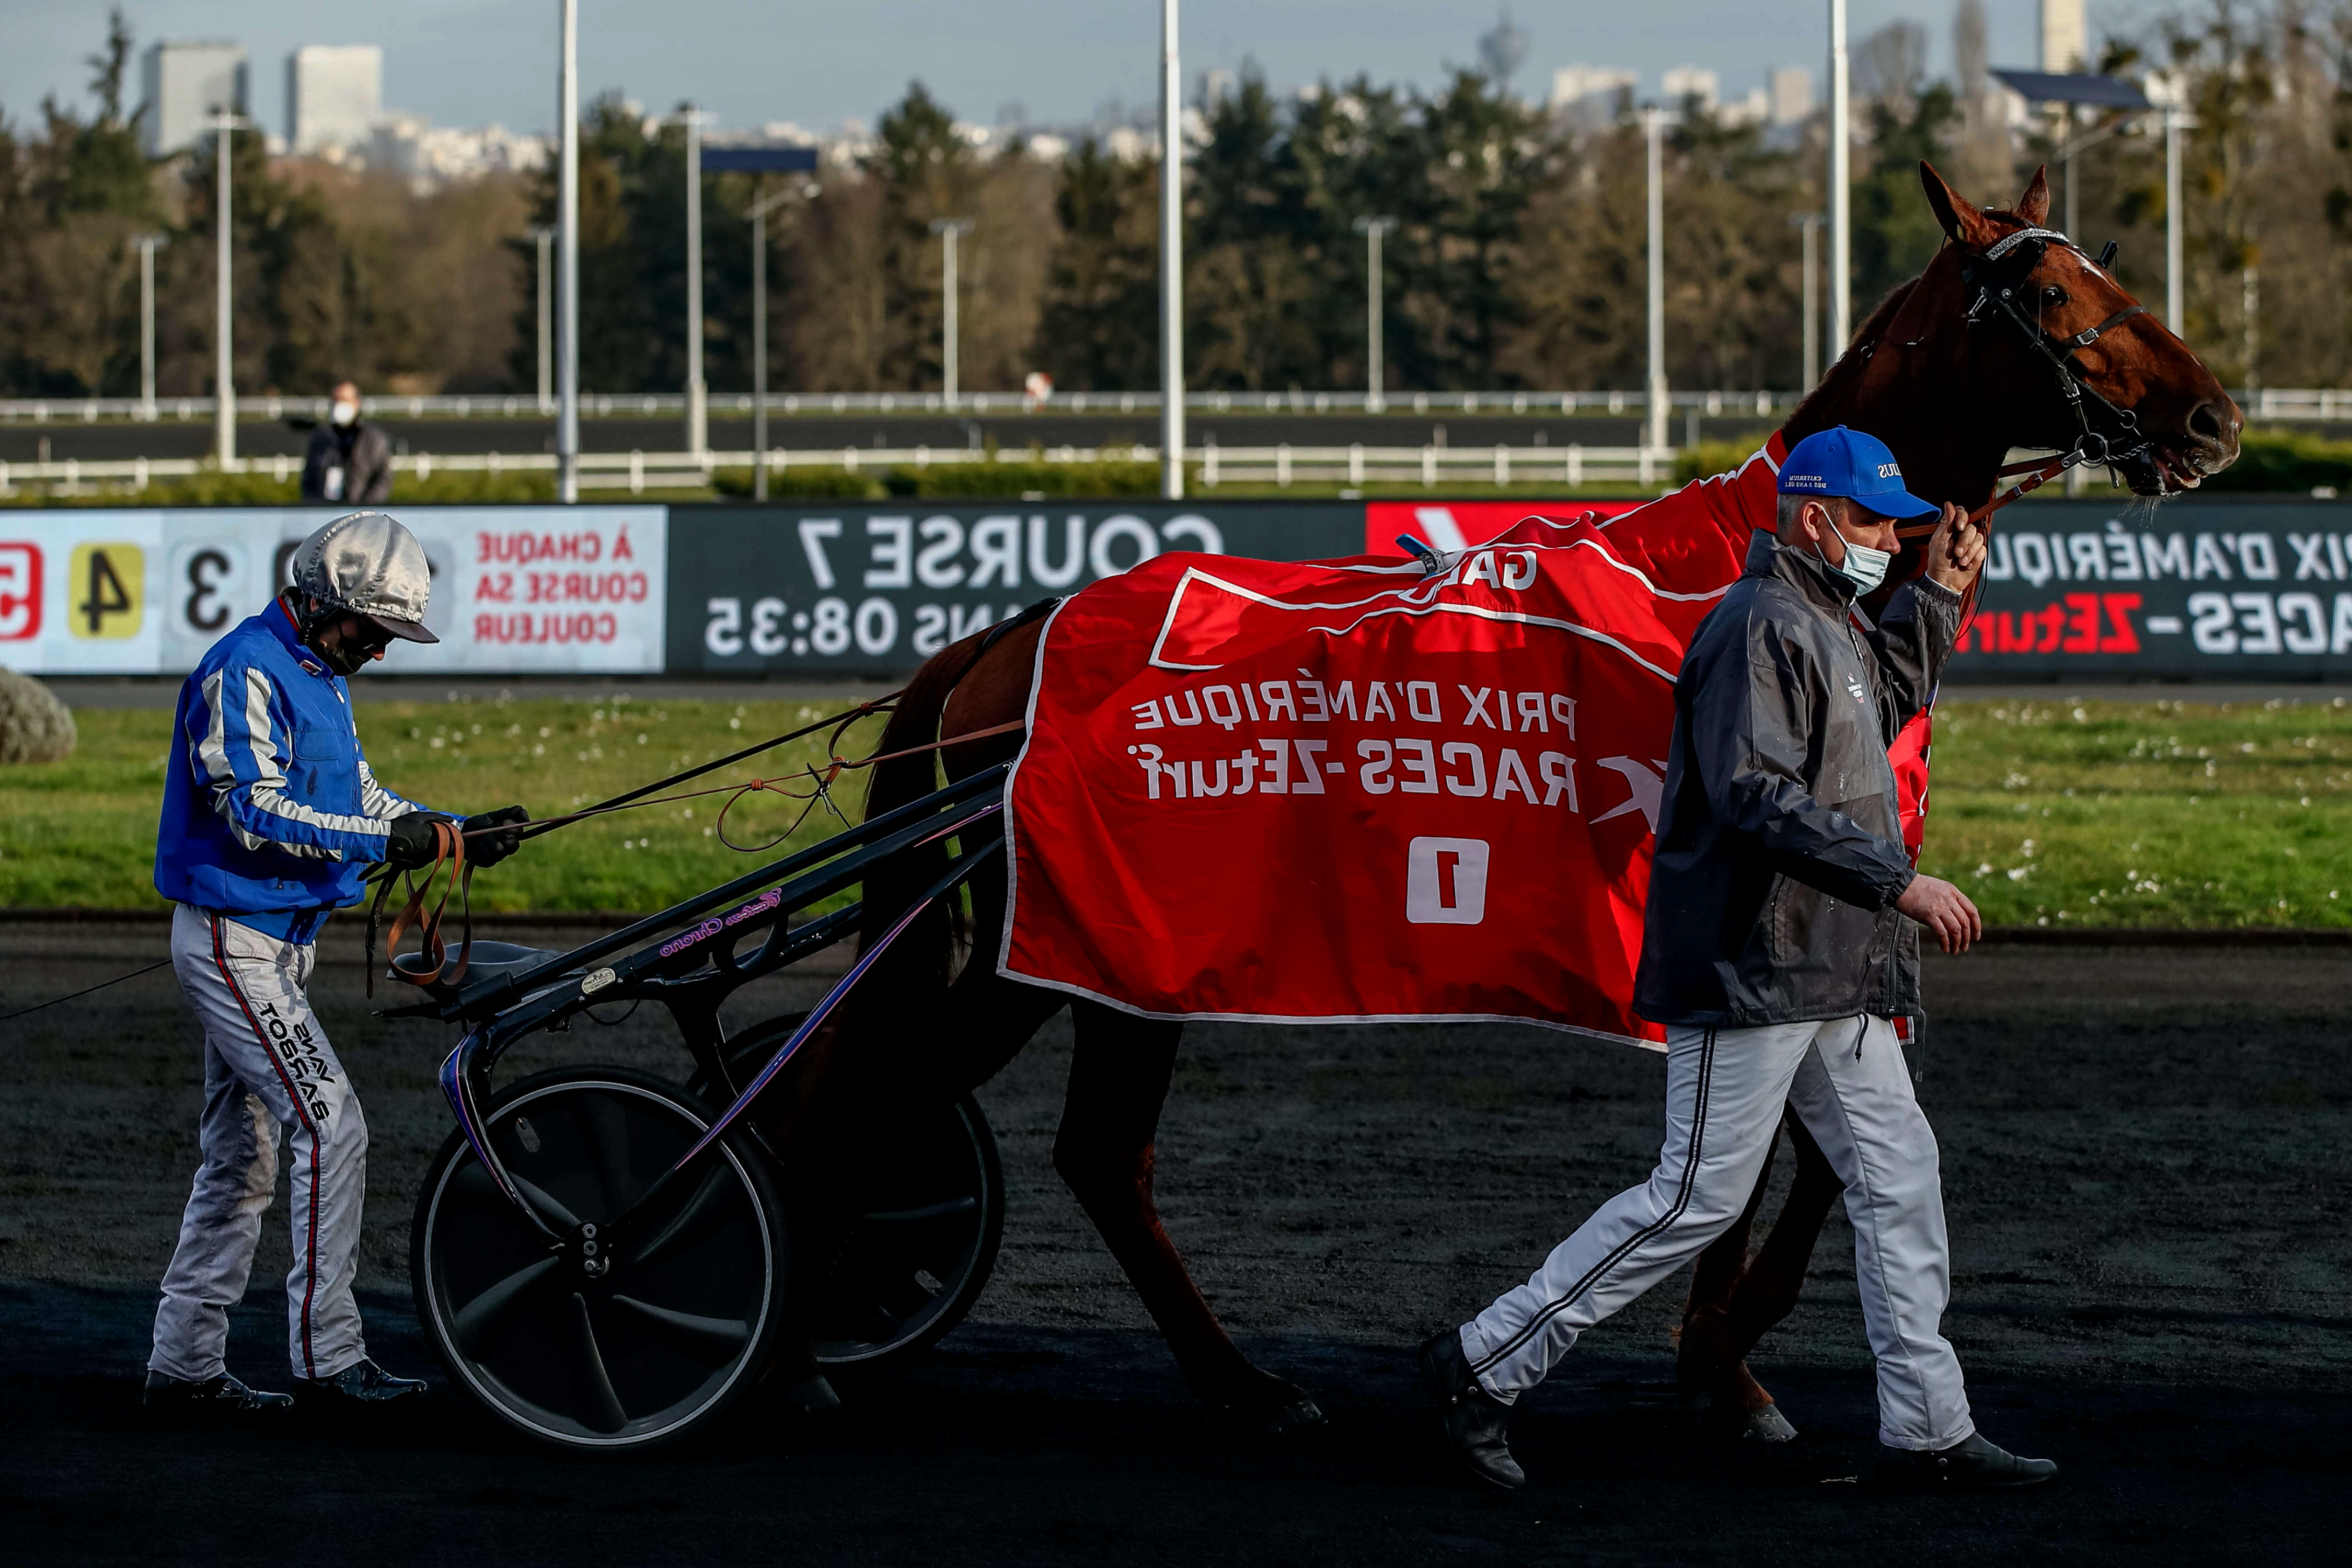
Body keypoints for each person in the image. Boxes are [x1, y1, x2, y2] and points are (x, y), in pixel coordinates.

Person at [1420, 426, 2054, 1490]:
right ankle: (1480, 1363)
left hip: (1830, 966)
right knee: (1694, 1202)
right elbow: (1755, 794)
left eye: (1899, 528)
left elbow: (1875, 707)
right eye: (1871, 524)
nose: (1890, 544)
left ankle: (1929, 1432)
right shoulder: (1758, 624)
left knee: (1899, 1180)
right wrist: (1897, 881)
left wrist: (1938, 598)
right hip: (1755, 963)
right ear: (1813, 519)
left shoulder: (1829, 620)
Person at [144, 511, 528, 1420]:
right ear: (320, 604)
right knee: (332, 1124)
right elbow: (254, 811)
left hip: (279, 941)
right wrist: (390, 837)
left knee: (243, 1156)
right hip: (235, 941)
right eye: (375, 631)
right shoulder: (244, 667)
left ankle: (184, 1365)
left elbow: (361, 799)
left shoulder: (322, 674)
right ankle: (329, 1361)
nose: (383, 653)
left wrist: (454, 832)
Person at [301, 382, 394, 505]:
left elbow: (383, 479)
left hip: (362, 513)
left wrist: (366, 508)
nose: (339, 405)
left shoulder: (374, 439)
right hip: (325, 513)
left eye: (344, 400)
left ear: (356, 403)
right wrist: (316, 506)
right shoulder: (320, 438)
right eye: (335, 400)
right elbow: (308, 479)